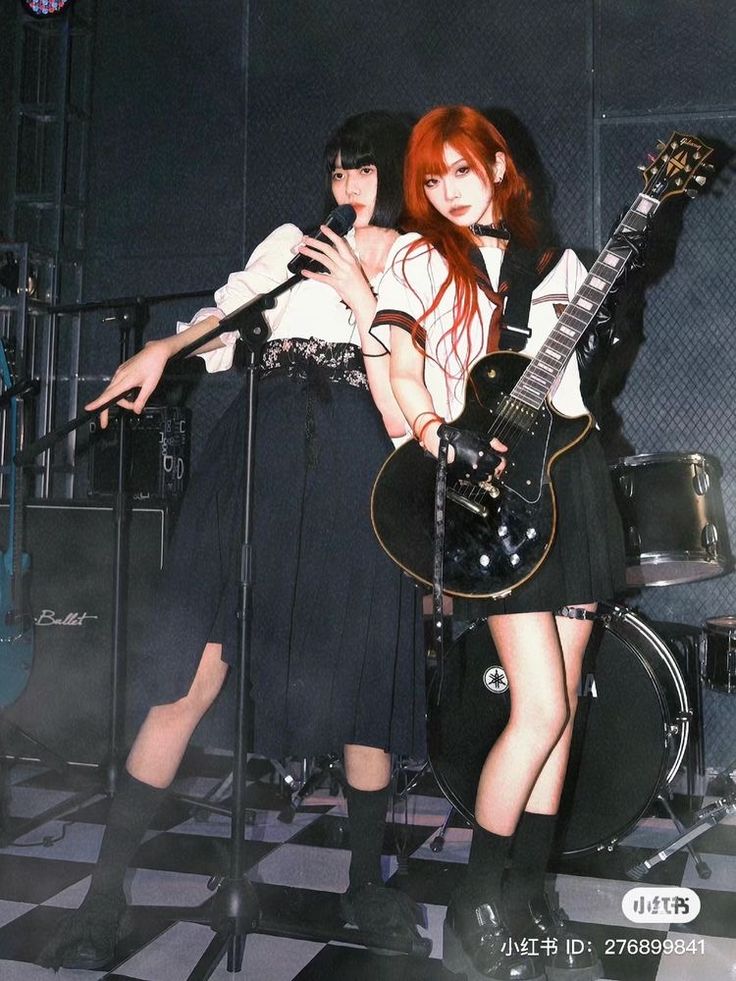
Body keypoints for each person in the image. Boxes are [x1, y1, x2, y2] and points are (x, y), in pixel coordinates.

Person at [39, 110, 427, 971]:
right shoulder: (293, 241)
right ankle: (106, 891)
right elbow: (227, 320)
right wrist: (164, 348)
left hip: (359, 458)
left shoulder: (418, 258)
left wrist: (365, 294)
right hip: (257, 446)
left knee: (365, 666)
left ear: (395, 175)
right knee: (192, 662)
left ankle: (368, 881)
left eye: (361, 171)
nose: (346, 187)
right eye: (336, 172)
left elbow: (414, 374)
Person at [372, 106, 627, 981]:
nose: (444, 191)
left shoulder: (557, 262)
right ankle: (474, 899)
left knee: (564, 714)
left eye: (459, 172)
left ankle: (525, 892)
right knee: (541, 707)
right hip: (489, 484)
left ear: (498, 164)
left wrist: (609, 304)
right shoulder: (414, 257)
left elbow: (579, 384)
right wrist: (440, 433)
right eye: (430, 178)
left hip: (572, 473)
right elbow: (402, 369)